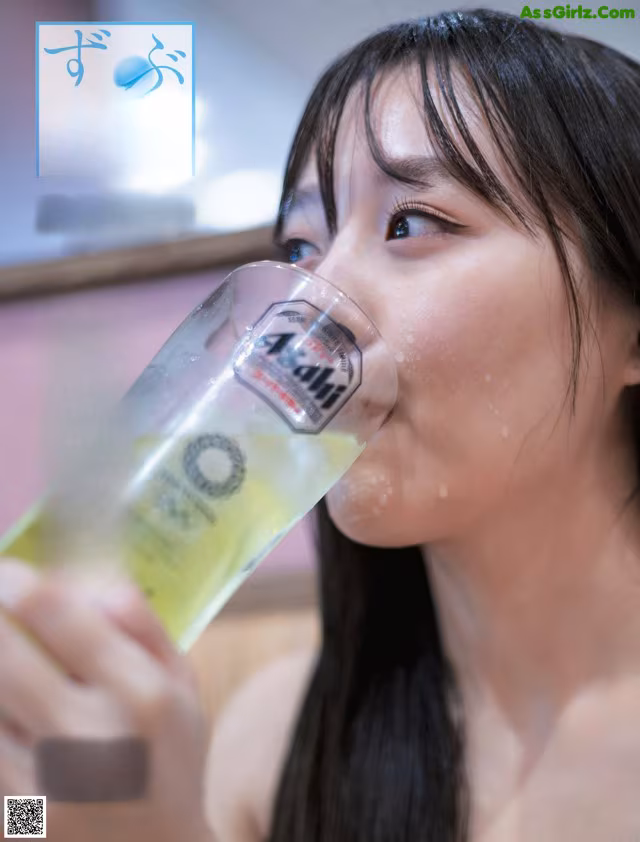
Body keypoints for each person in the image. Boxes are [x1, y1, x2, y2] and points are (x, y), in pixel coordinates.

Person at [0, 7, 639, 841]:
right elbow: (28, 827)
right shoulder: (274, 736)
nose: (305, 315)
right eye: (302, 249)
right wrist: (32, 802)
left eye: (411, 224)